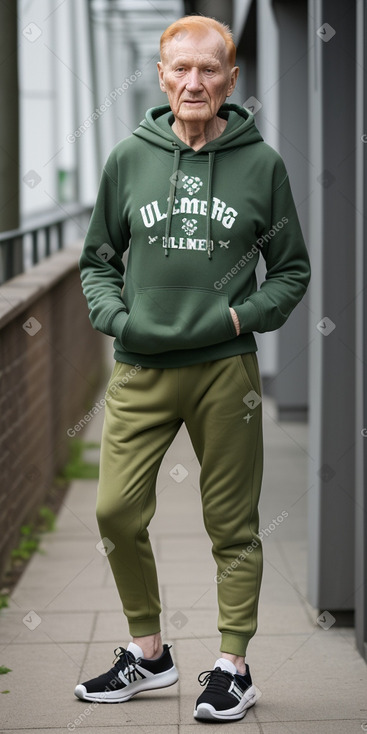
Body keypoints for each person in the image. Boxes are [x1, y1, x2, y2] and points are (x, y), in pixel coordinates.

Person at [74, 14, 311, 722]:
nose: (193, 82)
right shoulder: (127, 159)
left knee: (231, 524)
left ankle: (232, 666)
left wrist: (238, 317)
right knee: (115, 512)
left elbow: (290, 271)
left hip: (223, 369)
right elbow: (95, 264)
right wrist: (121, 320)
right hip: (141, 369)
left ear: (231, 79)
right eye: (180, 68)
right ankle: (149, 656)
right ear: (160, 76)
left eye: (209, 69)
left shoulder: (261, 164)